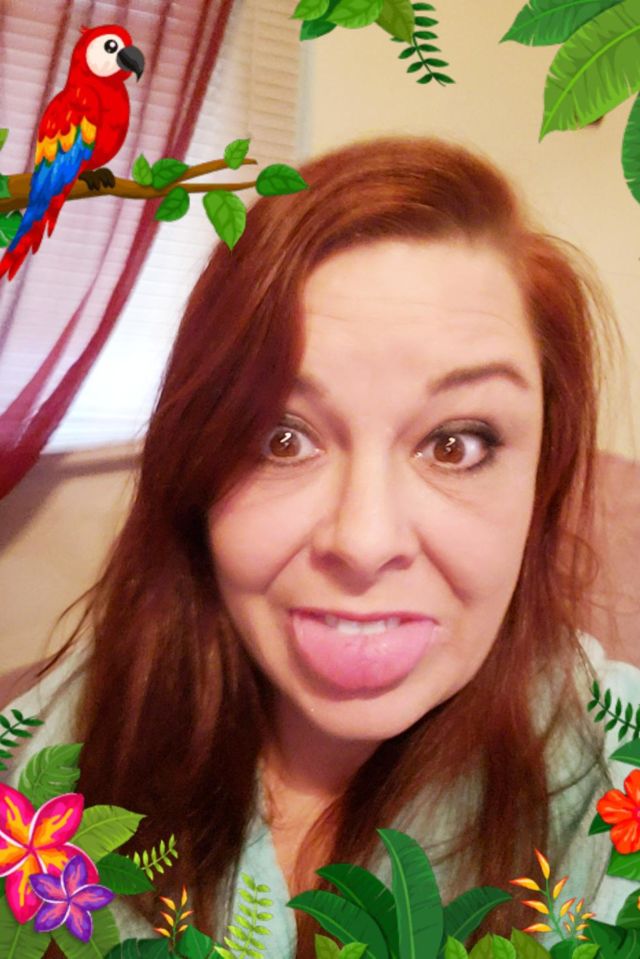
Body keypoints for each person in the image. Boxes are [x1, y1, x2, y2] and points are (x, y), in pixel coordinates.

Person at [2, 135, 639, 959]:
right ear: (196, 470)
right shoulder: (52, 748)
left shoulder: (615, 785)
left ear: (540, 482)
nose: (364, 541)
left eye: (457, 443)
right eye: (280, 437)